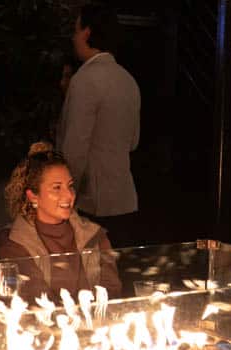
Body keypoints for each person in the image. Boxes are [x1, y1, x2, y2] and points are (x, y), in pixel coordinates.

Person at [56, 4, 140, 247]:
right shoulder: (128, 80)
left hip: (92, 200)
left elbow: (74, 148)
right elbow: (133, 141)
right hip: (124, 196)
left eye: (75, 30)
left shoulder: (84, 80)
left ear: (87, 32)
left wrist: (64, 195)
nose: (73, 38)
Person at [0, 142, 122, 304]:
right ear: (33, 196)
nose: (69, 195)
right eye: (57, 188)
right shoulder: (16, 244)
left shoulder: (93, 235)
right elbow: (36, 303)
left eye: (70, 186)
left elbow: (112, 292)